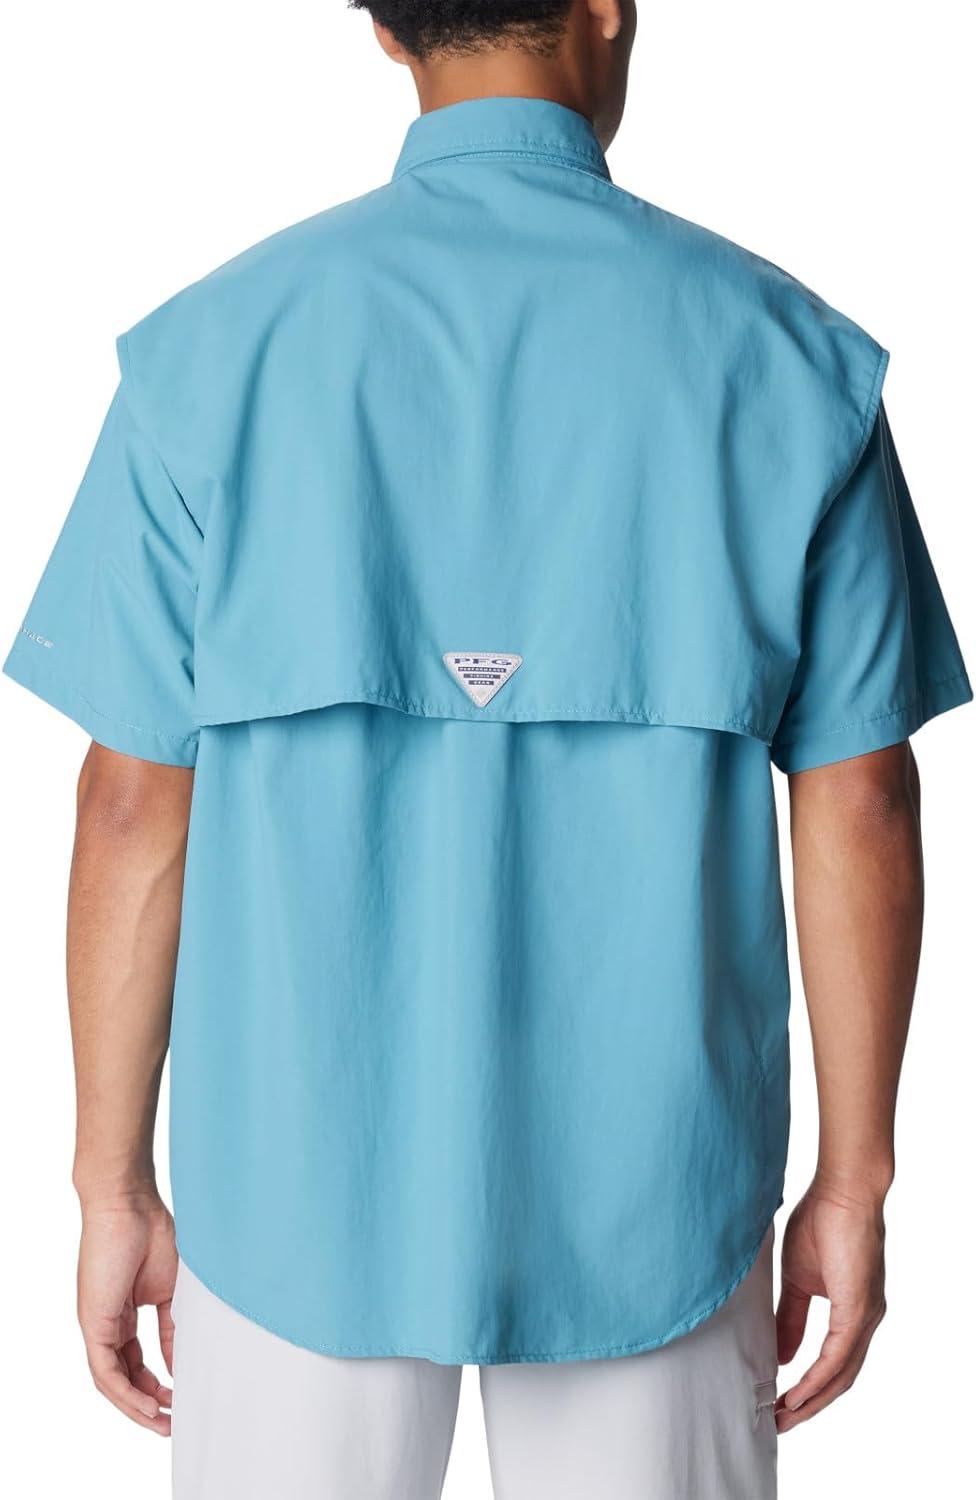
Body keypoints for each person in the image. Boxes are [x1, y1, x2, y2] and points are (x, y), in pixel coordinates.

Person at [4, 2, 970, 1496]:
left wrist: (110, 1182)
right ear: (607, 7)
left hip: (290, 1191)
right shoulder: (789, 357)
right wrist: (854, 1180)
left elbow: (132, 806)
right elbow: (864, 806)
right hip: (660, 1189)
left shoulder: (210, 355)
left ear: (386, 32)